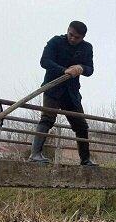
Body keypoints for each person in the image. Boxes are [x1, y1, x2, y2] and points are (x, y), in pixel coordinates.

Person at [29, 20, 97, 166]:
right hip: (52, 88)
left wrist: (81, 68)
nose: (72, 38)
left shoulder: (87, 48)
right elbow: (44, 61)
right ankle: (35, 154)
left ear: (82, 37)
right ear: (67, 30)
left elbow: (90, 69)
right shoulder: (55, 42)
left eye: (76, 37)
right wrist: (63, 70)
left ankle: (85, 159)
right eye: (70, 34)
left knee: (81, 125)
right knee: (47, 119)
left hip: (71, 92)